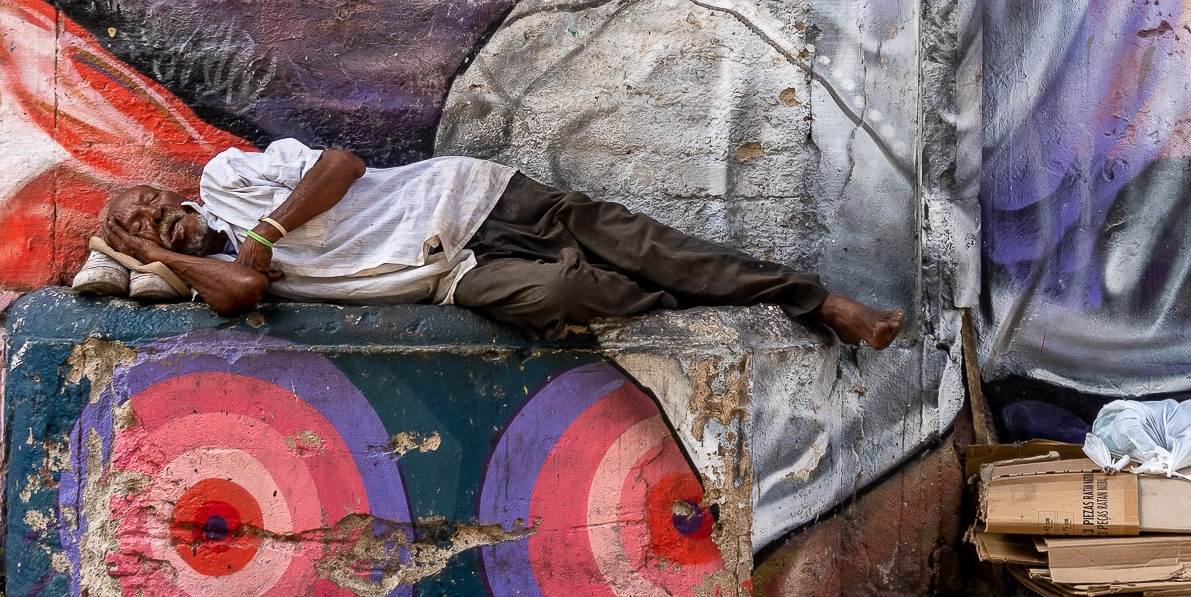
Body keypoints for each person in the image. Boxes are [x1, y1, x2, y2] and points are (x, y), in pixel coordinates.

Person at [82, 139, 903, 348]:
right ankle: (689, 295)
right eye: (138, 228)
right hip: (453, 274)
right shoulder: (212, 272)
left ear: (175, 191)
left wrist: (269, 227)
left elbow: (342, 164)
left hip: (472, 199)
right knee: (565, 293)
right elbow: (243, 292)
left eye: (149, 205)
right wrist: (162, 258)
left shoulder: (228, 177)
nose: (153, 219)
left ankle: (821, 301)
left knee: (645, 243)